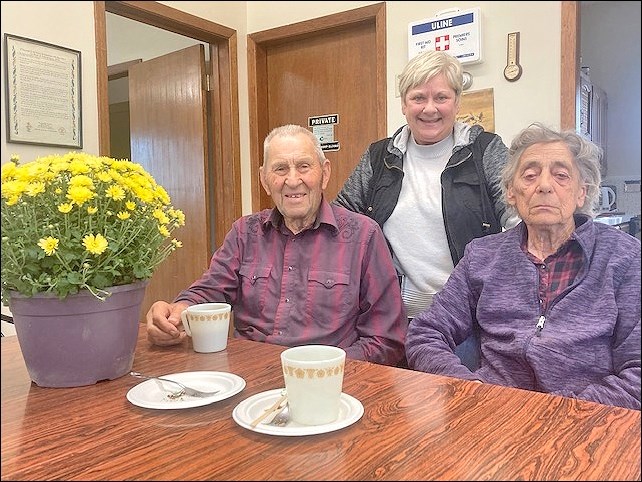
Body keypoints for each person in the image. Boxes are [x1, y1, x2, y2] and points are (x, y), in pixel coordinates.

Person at [405, 123, 641, 410]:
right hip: (493, 416)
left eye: (561, 175)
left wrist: (564, 415)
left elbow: (636, 374)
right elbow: (425, 332)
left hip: (586, 423)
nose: (543, 185)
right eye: (529, 175)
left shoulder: (625, 258)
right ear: (511, 193)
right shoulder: (482, 256)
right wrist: (467, 389)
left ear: (582, 192)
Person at [146, 124, 406, 366]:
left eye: (304, 166)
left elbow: (387, 339)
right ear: (264, 179)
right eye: (280, 169)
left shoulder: (363, 236)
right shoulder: (244, 233)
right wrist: (178, 311)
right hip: (250, 379)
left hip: (331, 384)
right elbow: (208, 291)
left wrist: (321, 367)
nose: (292, 180)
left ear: (324, 173)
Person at [334, 49, 517, 368]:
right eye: (418, 97)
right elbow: (341, 221)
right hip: (389, 322)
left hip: (463, 325)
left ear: (457, 103)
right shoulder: (380, 157)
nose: (429, 108)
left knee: (453, 412)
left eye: (441, 97)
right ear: (404, 104)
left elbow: (518, 222)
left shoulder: (485, 150)